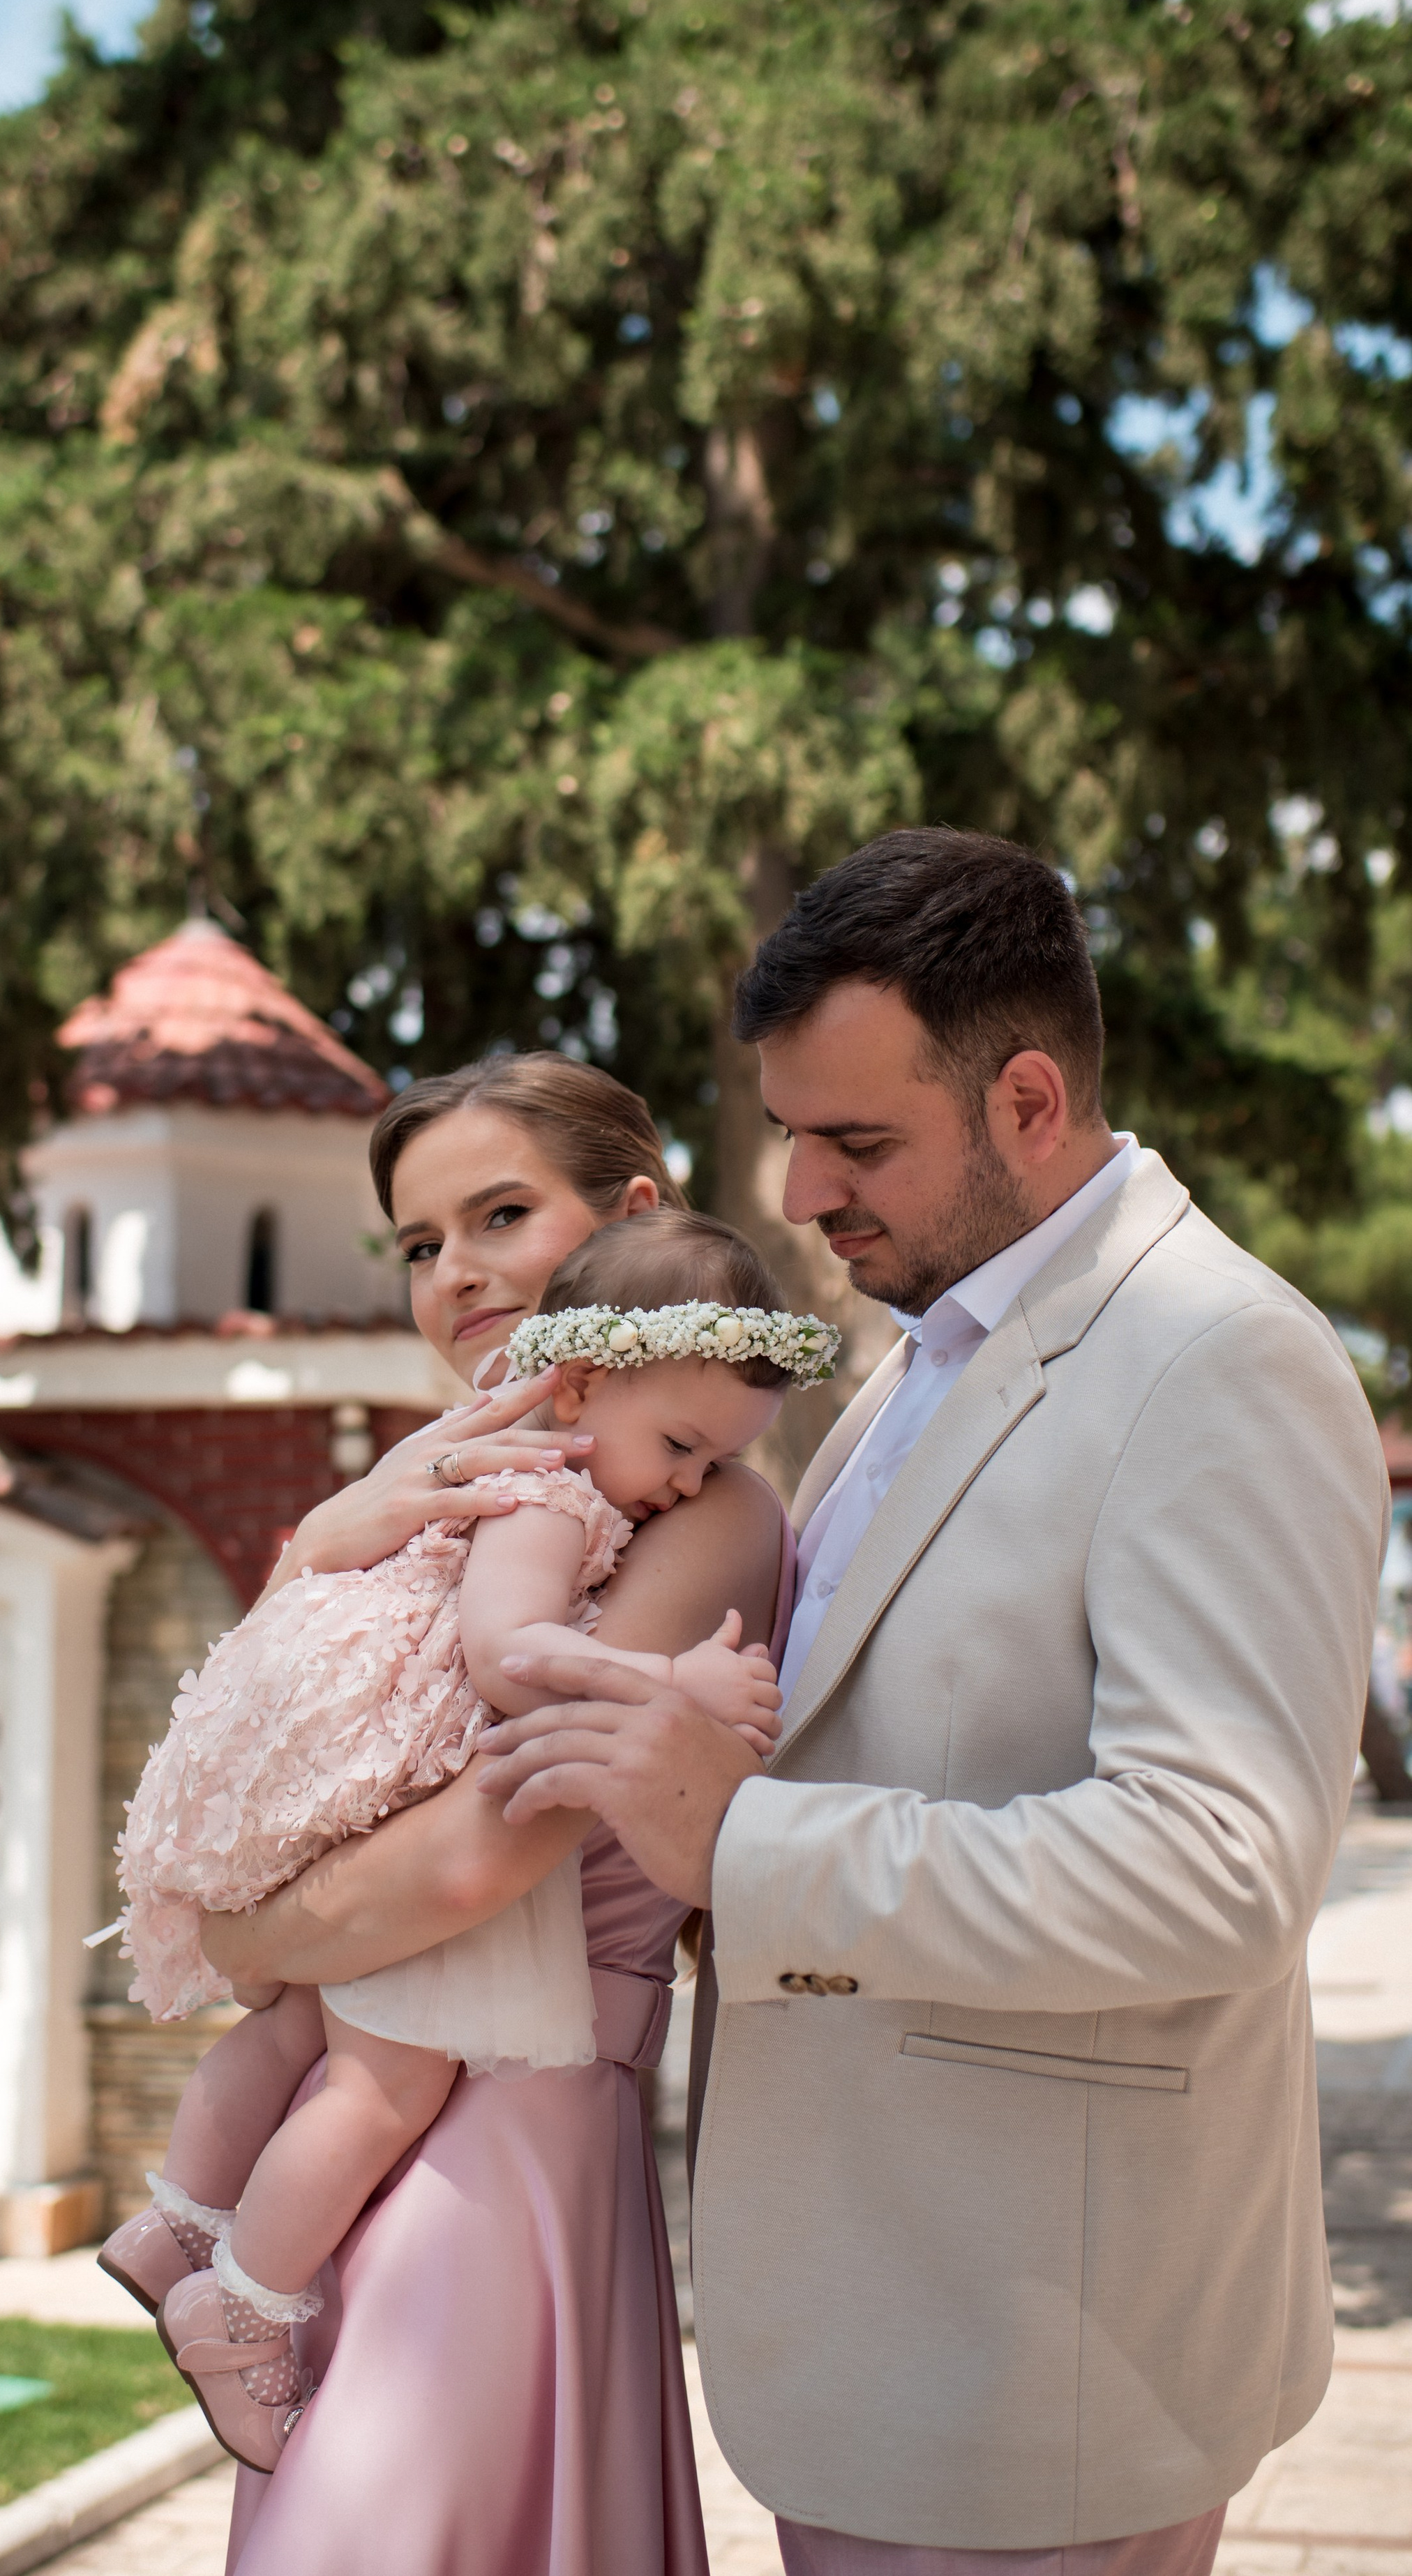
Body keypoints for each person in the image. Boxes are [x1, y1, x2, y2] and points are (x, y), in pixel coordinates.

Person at [479, 828, 1389, 2576]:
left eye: (859, 1139)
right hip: (877, 2337)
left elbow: (1218, 1866)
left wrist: (737, 1843)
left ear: (1027, 1099)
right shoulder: (929, 1342)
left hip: (1036, 2381)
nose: (802, 1190)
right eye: (792, 1129)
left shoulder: (1220, 1356)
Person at [107, 1053, 794, 2576]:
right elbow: (276, 1733)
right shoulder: (450, 1477)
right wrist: (325, 1543)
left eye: (498, 1213)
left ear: (630, 1220)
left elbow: (490, 1839)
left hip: (510, 2127)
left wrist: (239, 1925)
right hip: (363, 2110)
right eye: (420, 1244)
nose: (457, 1271)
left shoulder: (706, 1504)